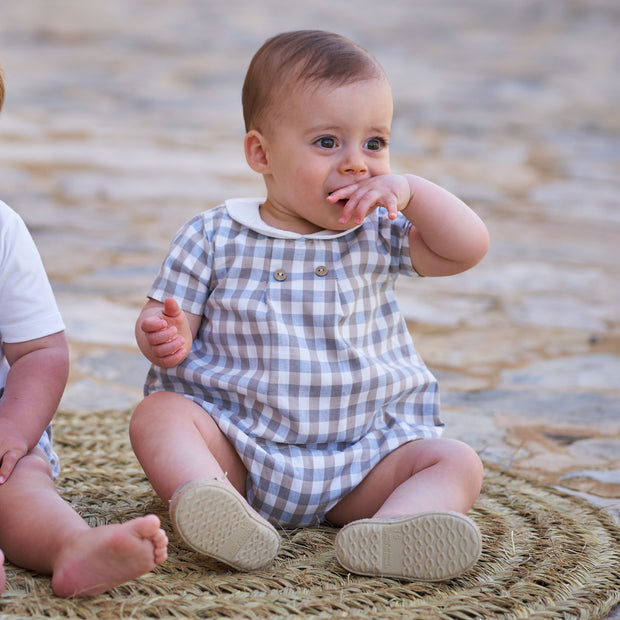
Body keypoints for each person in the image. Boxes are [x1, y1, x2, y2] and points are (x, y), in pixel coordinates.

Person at [130, 30, 489, 582]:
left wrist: (413, 189)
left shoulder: (380, 229)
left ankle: (393, 530)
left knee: (455, 460)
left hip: (363, 458)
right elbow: (171, 338)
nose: (357, 165)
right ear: (261, 153)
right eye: (328, 143)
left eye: (375, 144)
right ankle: (213, 507)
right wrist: (162, 333)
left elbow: (467, 248)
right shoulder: (214, 235)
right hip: (240, 454)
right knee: (160, 416)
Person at [0, 63, 168, 597]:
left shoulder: (2, 231)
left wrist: (14, 432)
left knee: (21, 482)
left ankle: (71, 546)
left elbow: (40, 354)